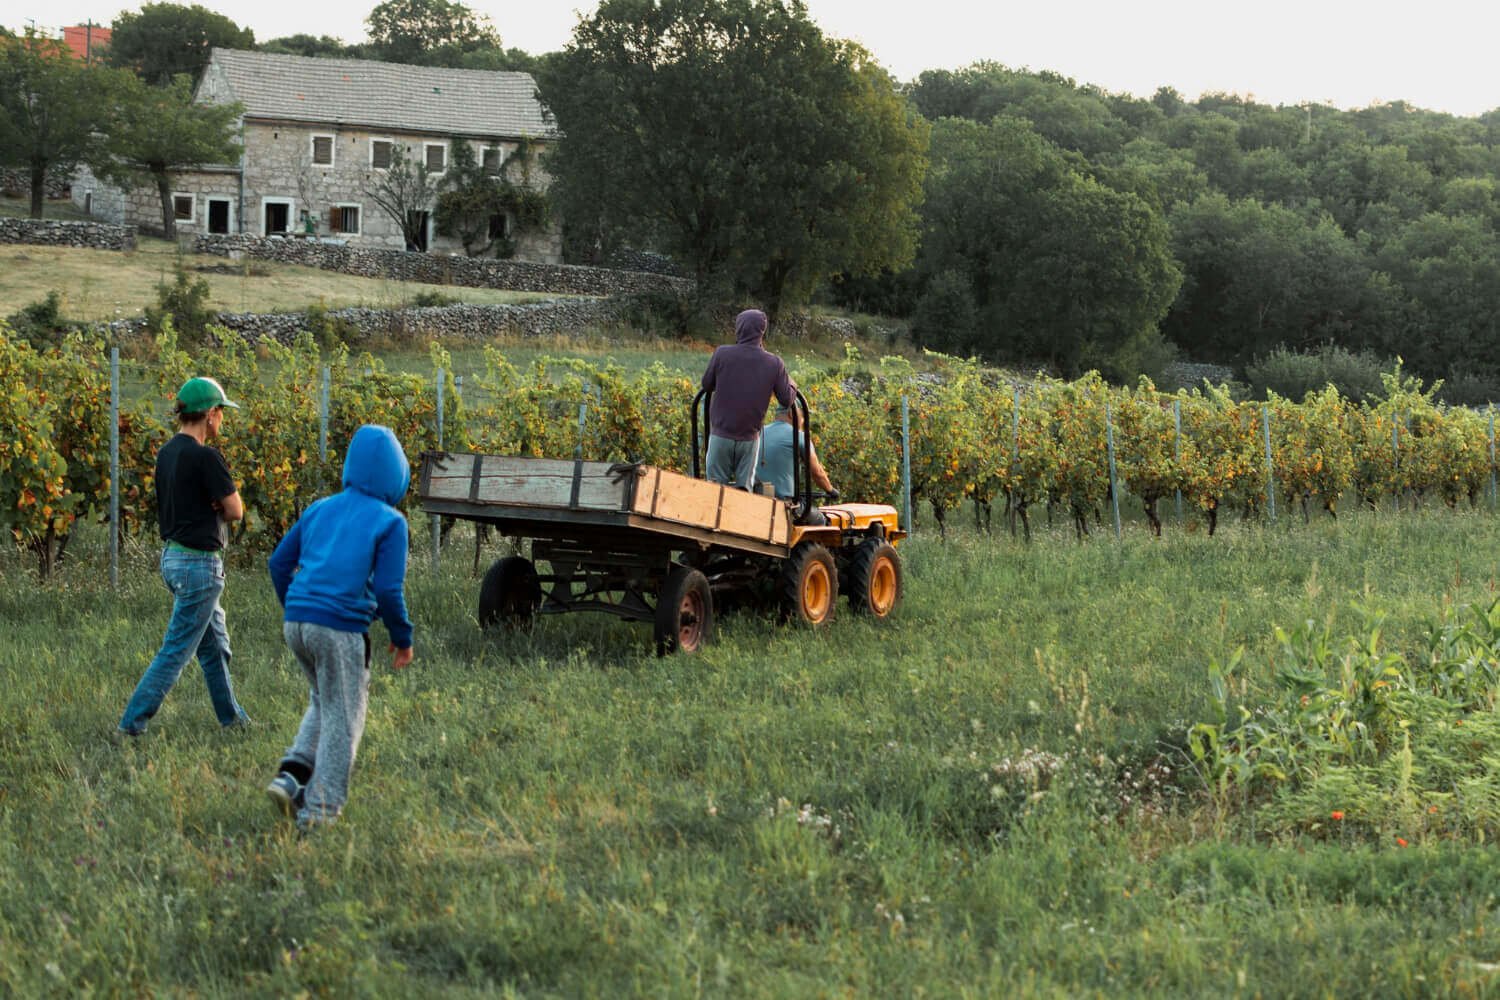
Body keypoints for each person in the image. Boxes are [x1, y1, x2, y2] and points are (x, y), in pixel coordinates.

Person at [264, 424, 415, 830]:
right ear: (396, 475)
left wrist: (298, 606)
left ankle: (292, 774)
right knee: (344, 718)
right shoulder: (391, 522)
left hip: (296, 622)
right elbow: (387, 588)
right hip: (339, 630)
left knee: (324, 698)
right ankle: (319, 813)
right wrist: (403, 638)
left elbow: (278, 563)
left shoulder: (319, 508)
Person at [116, 376, 250, 737]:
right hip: (199, 566)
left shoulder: (167, 453)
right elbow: (236, 510)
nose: (222, 420)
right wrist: (220, 506)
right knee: (176, 651)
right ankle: (131, 725)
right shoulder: (206, 456)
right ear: (209, 414)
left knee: (215, 648)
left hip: (173, 558)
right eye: (221, 412)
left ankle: (233, 721)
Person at [700, 308, 795, 490]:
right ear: (762, 331)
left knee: (714, 489)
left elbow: (706, 385)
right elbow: (786, 399)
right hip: (749, 438)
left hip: (720, 434)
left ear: (738, 329)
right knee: (744, 491)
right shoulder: (774, 363)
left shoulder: (722, 353)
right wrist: (791, 384)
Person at [758, 404, 838, 524]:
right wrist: (831, 490)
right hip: (783, 504)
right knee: (821, 520)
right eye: (803, 416)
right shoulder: (799, 436)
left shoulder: (759, 432)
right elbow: (817, 473)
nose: (803, 421)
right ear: (792, 413)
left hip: (756, 499)